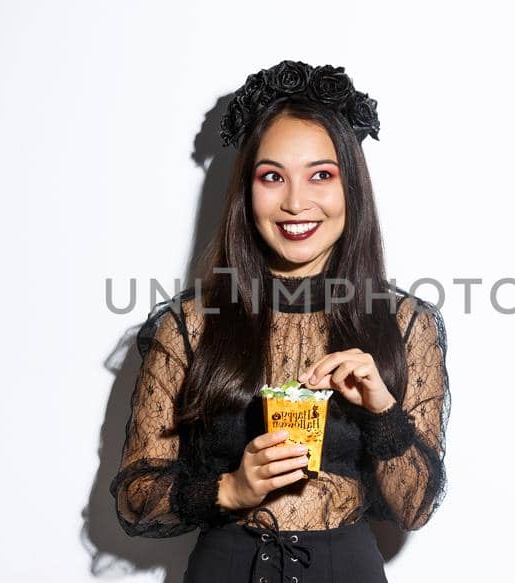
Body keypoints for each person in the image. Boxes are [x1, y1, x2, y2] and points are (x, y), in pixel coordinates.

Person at [109, 60, 450, 583]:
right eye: (272, 176)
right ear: (247, 191)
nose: (296, 202)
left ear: (350, 189)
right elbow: (136, 497)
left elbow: (415, 508)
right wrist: (230, 490)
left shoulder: (403, 325)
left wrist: (382, 411)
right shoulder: (192, 326)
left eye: (321, 175)